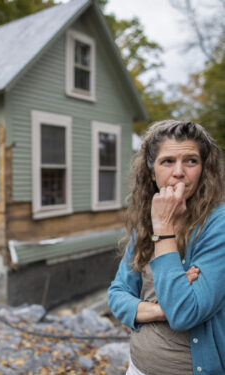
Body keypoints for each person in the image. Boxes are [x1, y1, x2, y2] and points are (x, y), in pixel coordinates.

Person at [108, 120, 225, 375]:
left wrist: (164, 229)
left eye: (191, 161)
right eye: (167, 161)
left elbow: (185, 313)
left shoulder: (218, 225)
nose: (179, 172)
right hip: (137, 367)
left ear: (204, 169)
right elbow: (117, 293)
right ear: (152, 172)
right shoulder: (146, 223)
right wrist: (160, 311)